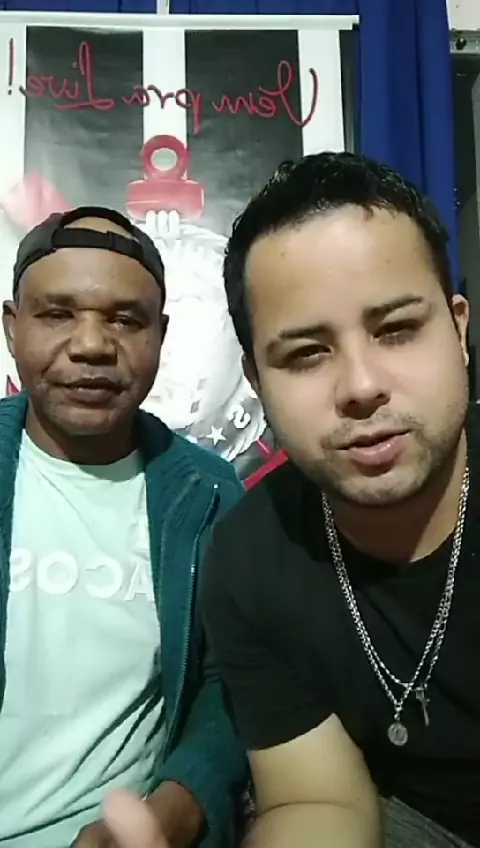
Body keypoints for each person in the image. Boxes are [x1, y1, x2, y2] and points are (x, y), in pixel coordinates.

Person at [201, 152, 480, 848]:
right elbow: (317, 799)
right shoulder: (248, 557)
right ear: (256, 381)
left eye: (397, 329)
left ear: (459, 329)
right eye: (305, 354)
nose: (360, 386)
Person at [0, 205, 246, 847]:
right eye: (57, 314)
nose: (91, 345)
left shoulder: (209, 498)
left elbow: (233, 682)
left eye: (125, 320)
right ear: (11, 328)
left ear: (160, 336)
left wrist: (178, 808)